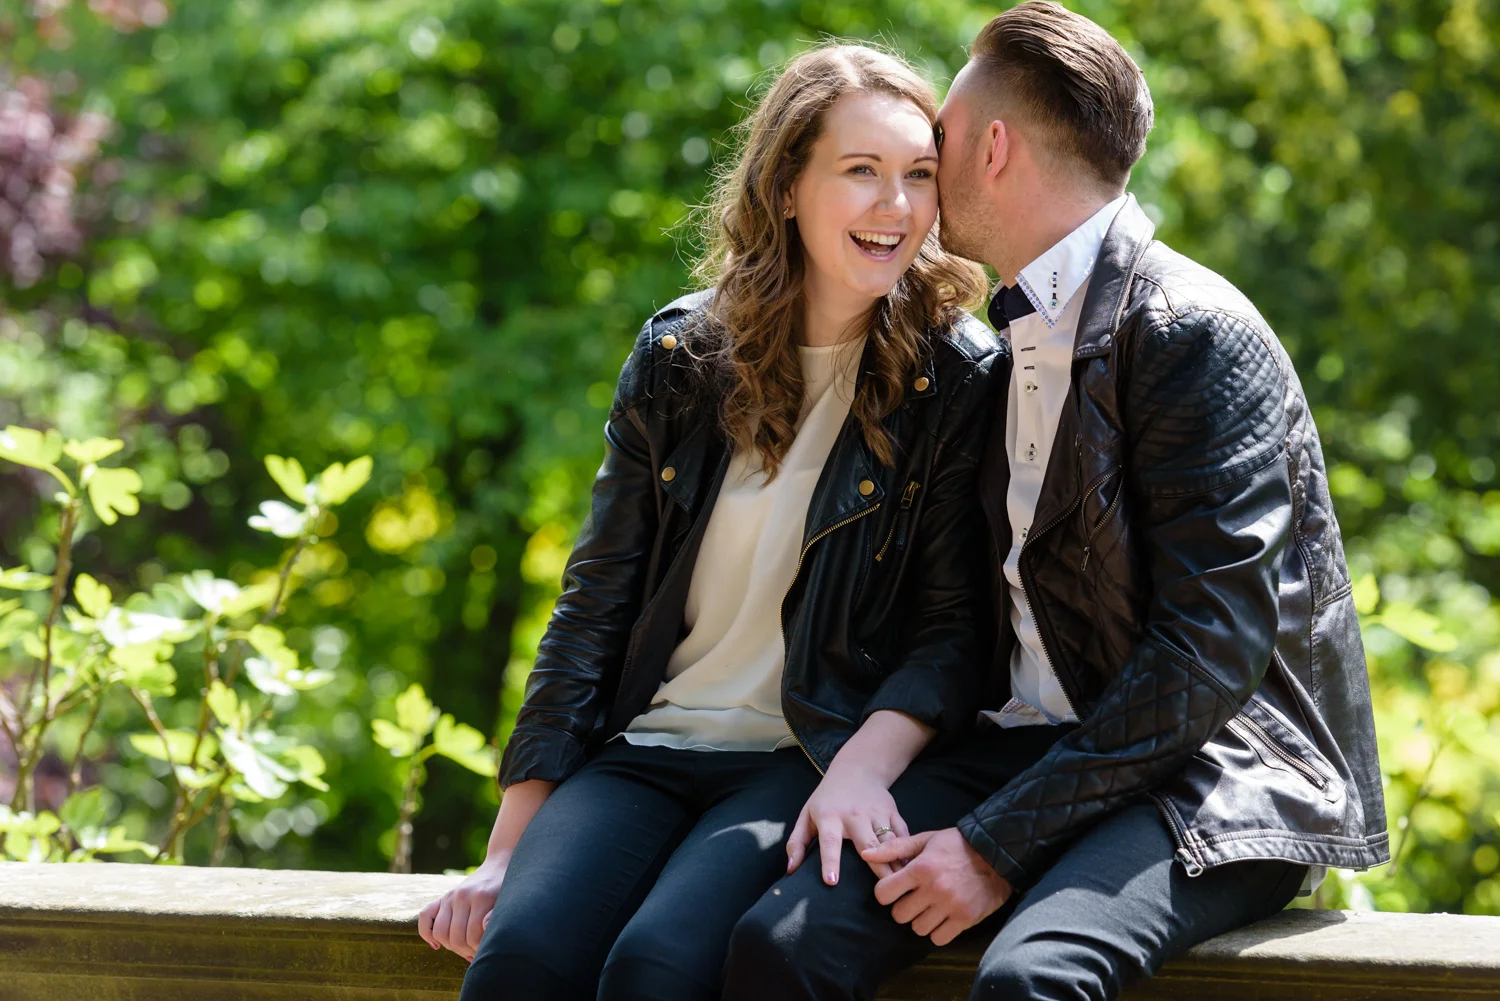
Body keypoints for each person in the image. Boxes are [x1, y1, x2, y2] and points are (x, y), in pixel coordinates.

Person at [724, 4, 1389, 999]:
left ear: (992, 148)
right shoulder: (998, 349)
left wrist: (993, 844)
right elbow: (965, 619)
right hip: (1029, 746)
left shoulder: (1194, 330)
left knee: (1031, 977)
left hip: (1214, 773)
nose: (921, 168)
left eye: (939, 138)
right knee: (779, 942)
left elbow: (1208, 654)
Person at [418, 44, 998, 1001]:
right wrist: (506, 849)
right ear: (787, 186)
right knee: (518, 960)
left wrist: (861, 773)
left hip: (803, 753)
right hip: (645, 748)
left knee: (656, 967)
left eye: (920, 175)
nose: (896, 205)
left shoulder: (957, 376)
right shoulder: (680, 355)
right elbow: (594, 603)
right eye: (861, 171)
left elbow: (954, 631)